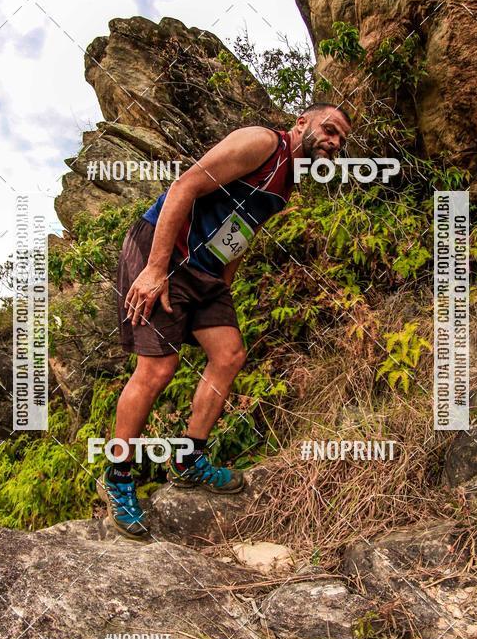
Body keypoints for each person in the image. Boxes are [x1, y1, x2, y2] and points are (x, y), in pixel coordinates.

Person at [96, 103, 352, 539]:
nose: (334, 142)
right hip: (163, 252)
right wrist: (155, 269)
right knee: (157, 368)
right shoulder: (262, 143)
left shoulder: (288, 182)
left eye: (341, 139)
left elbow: (242, 232)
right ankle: (117, 477)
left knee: (229, 354)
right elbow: (184, 186)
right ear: (302, 123)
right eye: (329, 129)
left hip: (207, 273)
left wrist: (223, 285)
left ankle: (187, 459)